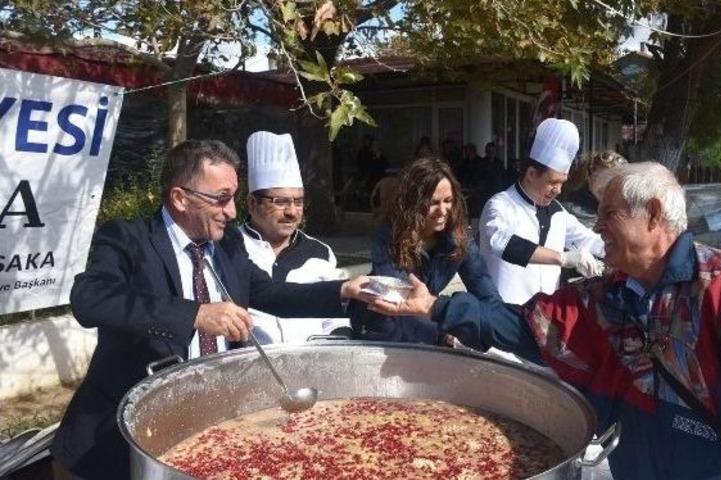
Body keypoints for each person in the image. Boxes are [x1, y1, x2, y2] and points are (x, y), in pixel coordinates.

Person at [371, 162, 721, 479]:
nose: (597, 227)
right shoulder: (604, 295)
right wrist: (436, 307)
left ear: (651, 214)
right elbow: (524, 328)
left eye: (608, 214)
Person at [51, 140, 372, 480]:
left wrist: (342, 292)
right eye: (221, 198)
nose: (232, 211)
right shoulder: (128, 239)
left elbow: (267, 292)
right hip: (112, 443)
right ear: (180, 198)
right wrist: (195, 315)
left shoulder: (228, 244)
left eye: (233, 197)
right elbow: (90, 299)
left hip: (202, 429)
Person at [351, 157, 498, 344]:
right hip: (383, 331)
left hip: (430, 327)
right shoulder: (388, 235)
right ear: (412, 202)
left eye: (448, 201)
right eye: (433, 203)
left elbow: (483, 286)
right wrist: (447, 330)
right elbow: (399, 298)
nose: (443, 210)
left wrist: (498, 324)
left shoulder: (460, 238)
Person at [239, 131, 352, 344]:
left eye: (298, 202)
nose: (292, 212)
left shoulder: (320, 252)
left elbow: (335, 321)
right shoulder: (231, 248)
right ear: (252, 203)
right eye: (280, 202)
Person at [479, 118, 604, 305]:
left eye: (562, 183)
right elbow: (500, 243)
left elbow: (588, 239)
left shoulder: (557, 211)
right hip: (503, 313)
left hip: (544, 318)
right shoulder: (500, 205)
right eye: (553, 182)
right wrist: (563, 257)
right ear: (531, 174)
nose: (558, 190)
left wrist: (622, 251)